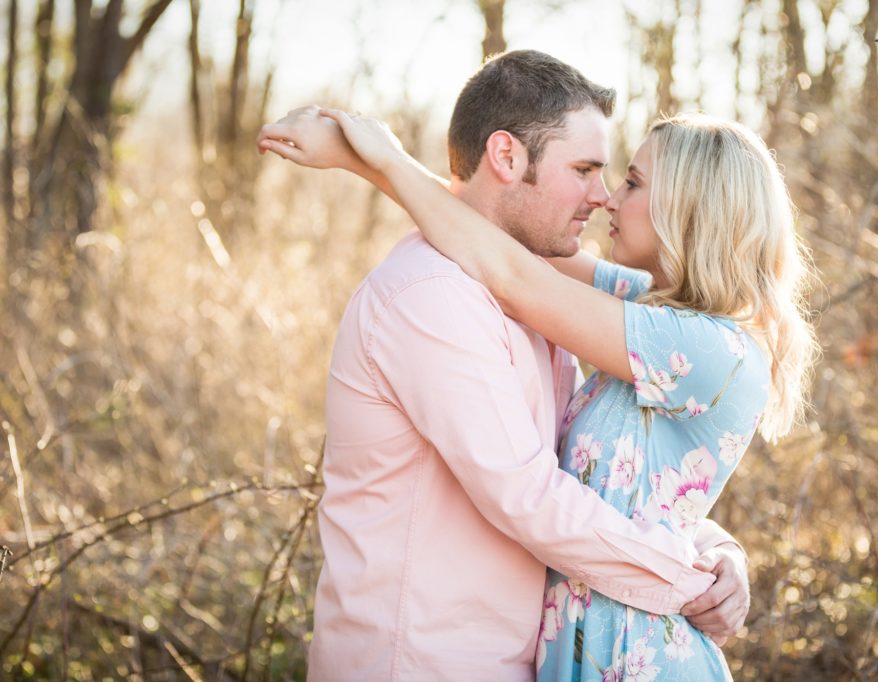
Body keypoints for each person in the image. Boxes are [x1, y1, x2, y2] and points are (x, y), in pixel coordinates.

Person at [258, 51, 755, 681]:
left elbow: (602, 474)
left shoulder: (547, 297)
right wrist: (688, 577)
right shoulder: (434, 294)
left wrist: (715, 549)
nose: (601, 198)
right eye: (585, 170)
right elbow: (529, 495)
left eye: (620, 179)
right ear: (507, 157)